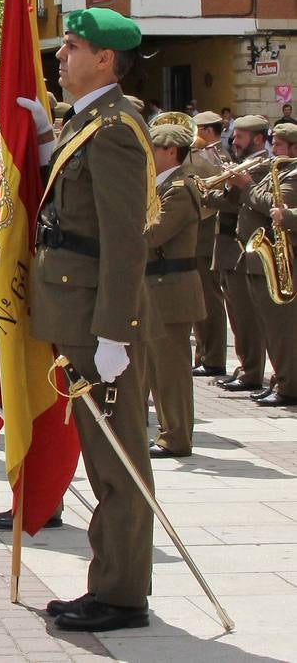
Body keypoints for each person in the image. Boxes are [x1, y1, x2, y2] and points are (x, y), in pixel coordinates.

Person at [25, 8, 157, 631]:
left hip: (98, 319)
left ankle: (122, 595)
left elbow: (124, 239)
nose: (61, 54)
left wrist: (114, 331)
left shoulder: (116, 129)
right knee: (104, 456)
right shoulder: (90, 123)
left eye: (72, 46)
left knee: (116, 461)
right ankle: (111, 584)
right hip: (76, 311)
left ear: (106, 58)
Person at [139, 121, 205, 458]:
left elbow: (153, 235)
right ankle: (167, 432)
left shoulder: (179, 188)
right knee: (156, 367)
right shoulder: (161, 186)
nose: (147, 155)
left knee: (171, 371)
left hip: (172, 290)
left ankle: (176, 437)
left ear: (170, 152)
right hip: (158, 288)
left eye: (153, 149)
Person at [227, 119, 297, 406]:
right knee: (269, 326)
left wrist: (248, 186)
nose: (274, 149)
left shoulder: (292, 174)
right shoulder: (278, 169)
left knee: (282, 328)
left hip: (282, 257)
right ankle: (281, 380)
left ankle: (289, 385)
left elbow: (275, 208)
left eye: (279, 145)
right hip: (257, 257)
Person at [208, 116, 271, 393]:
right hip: (231, 248)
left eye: (240, 137)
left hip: (246, 248)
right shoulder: (242, 168)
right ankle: (246, 367)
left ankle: (253, 371)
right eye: (234, 137)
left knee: (247, 316)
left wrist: (239, 184)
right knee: (237, 314)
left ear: (258, 139)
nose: (234, 141)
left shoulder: (263, 169)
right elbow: (225, 202)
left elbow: (250, 204)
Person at [188, 112, 232, 378]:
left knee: (208, 297)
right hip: (193, 228)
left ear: (207, 130)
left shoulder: (216, 157)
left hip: (205, 230)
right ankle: (204, 354)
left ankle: (214, 357)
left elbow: (219, 195)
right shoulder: (198, 153)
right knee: (198, 298)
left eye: (197, 129)